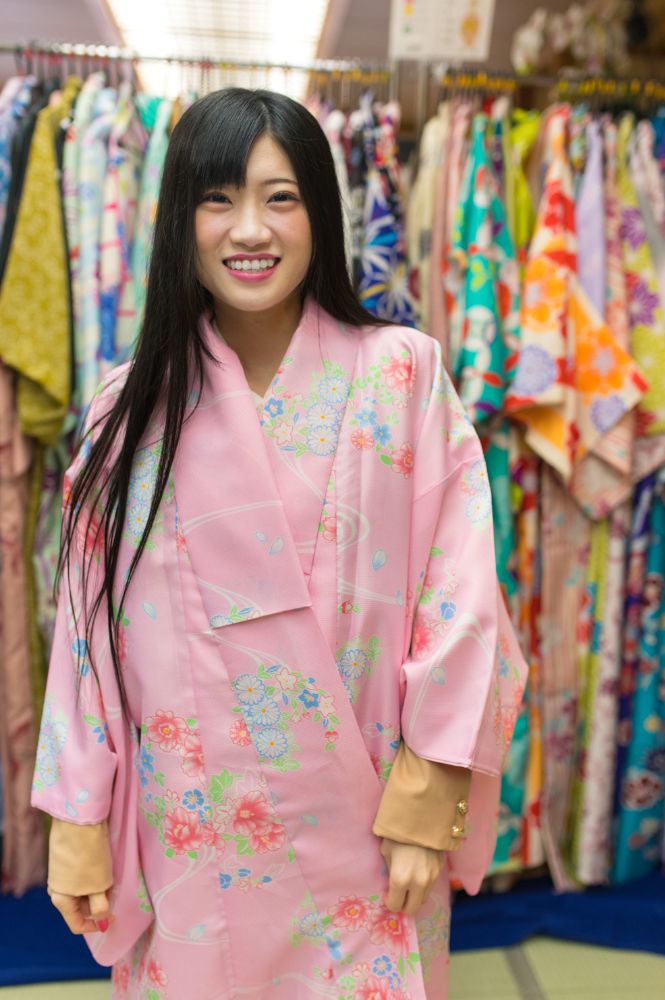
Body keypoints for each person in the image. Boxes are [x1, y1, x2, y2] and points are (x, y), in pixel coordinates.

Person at [32, 88, 527, 1000]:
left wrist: (429, 797)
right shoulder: (125, 407)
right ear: (181, 218)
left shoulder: (401, 374)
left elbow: (462, 599)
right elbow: (83, 631)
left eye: (281, 196)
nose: (248, 228)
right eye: (218, 198)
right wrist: (77, 815)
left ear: (321, 216)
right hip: (194, 834)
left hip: (370, 825)